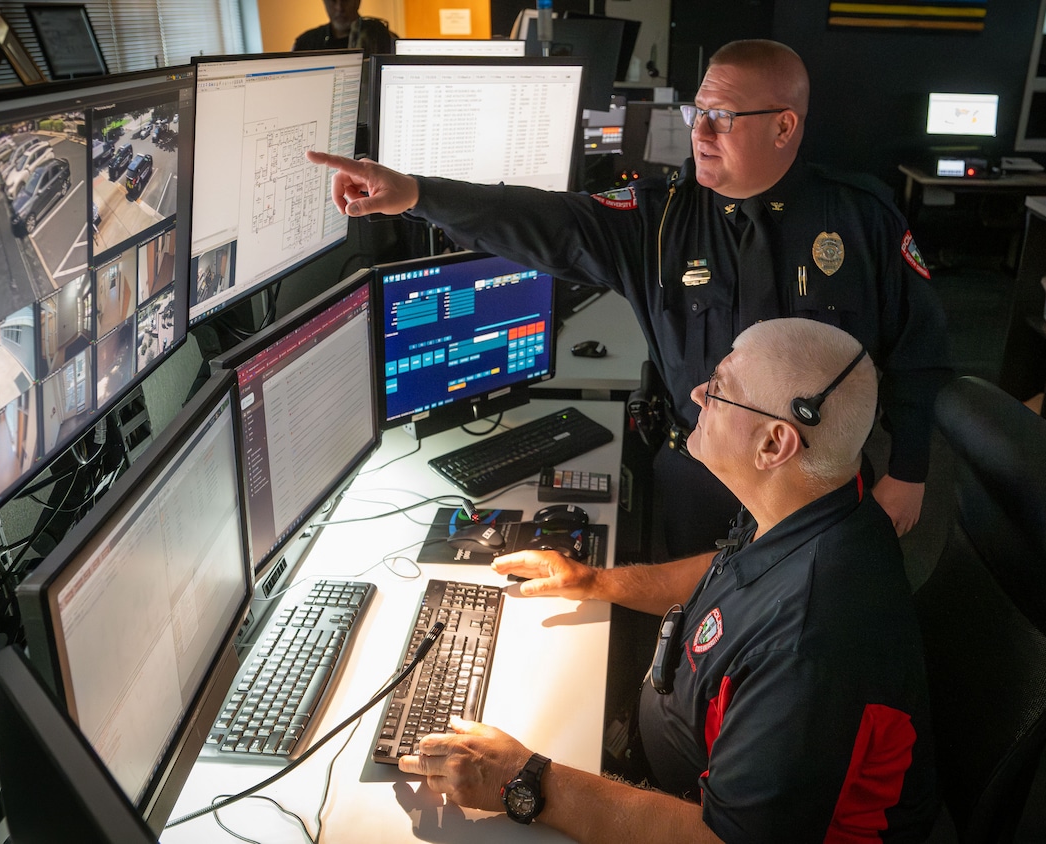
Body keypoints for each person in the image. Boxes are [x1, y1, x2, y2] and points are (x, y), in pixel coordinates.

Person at [305, 39, 949, 551]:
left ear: (784, 127)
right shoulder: (659, 217)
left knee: (807, 658)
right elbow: (543, 220)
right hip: (700, 475)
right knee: (684, 650)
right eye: (699, 114)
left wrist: (910, 469)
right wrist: (418, 194)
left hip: (820, 490)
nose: (701, 132)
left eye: (722, 118)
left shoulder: (863, 220)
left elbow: (919, 351)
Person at [397, 319, 938, 843]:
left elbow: (723, 839)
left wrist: (526, 778)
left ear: (774, 445)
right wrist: (594, 581)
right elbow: (726, 571)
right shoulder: (820, 499)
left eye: (720, 390)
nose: (697, 393)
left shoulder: (809, 647)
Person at [292, 0, 396, 54]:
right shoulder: (306, 43)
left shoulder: (382, 37)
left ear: (358, 1)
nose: (339, 8)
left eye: (345, 0)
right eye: (333, 0)